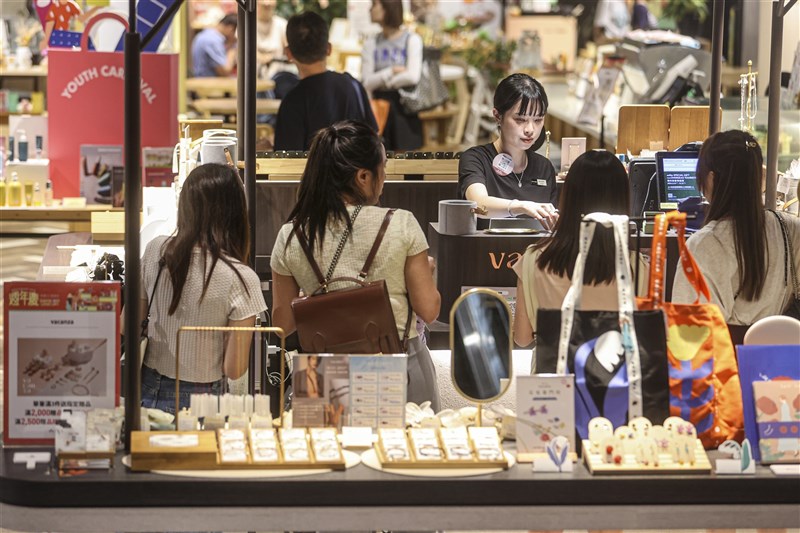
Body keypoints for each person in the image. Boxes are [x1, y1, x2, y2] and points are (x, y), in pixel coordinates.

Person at [270, 120, 442, 411]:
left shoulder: (292, 235)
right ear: (363, 176)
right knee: (406, 453)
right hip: (398, 365)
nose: (384, 177)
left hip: (323, 373)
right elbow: (429, 310)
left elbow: (282, 325)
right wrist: (429, 273)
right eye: (382, 168)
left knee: (329, 454)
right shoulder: (401, 223)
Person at [139, 163, 267, 413]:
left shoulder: (156, 249)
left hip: (146, 388)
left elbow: (127, 324)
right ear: (236, 211)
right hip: (202, 401)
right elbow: (235, 368)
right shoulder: (241, 278)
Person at [513, 150, 649, 369]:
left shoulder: (534, 259)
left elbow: (522, 337)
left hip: (550, 388)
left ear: (568, 196)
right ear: (622, 200)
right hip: (613, 389)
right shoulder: (638, 268)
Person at [672, 130, 800, 327]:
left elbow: (689, 331)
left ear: (711, 179)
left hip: (727, 355)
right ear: (759, 176)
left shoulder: (703, 245)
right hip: (784, 355)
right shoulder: (790, 228)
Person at [458, 73, 559, 229]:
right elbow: (478, 206)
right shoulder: (476, 159)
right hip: (484, 251)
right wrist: (519, 207)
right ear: (498, 116)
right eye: (520, 119)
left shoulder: (544, 167)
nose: (530, 129)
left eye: (538, 120)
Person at [273, 12, 377, 151]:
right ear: (329, 49)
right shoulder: (353, 85)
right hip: (355, 172)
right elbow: (373, 137)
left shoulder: (292, 101)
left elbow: (288, 159)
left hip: (314, 173)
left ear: (288, 53)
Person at [361, 0, 424, 151]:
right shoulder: (371, 43)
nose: (370, 10)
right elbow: (366, 82)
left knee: (410, 163)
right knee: (380, 160)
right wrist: (392, 71)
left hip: (405, 108)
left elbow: (412, 76)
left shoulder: (412, 40)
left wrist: (384, 81)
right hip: (378, 109)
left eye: (374, 5)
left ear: (387, 8)